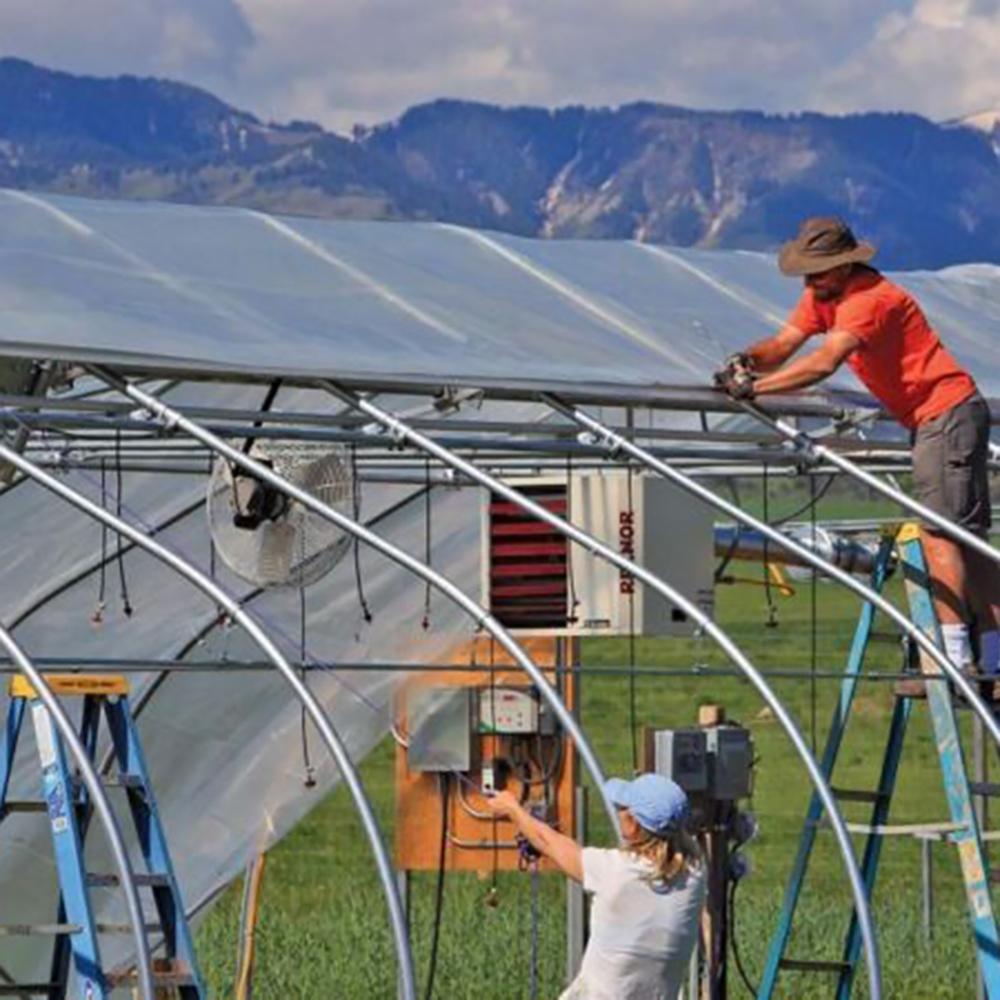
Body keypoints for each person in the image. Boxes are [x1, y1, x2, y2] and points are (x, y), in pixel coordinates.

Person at [715, 215, 1000, 684]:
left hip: (943, 415)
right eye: (806, 272)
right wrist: (745, 361)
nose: (809, 281)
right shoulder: (824, 296)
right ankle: (990, 655)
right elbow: (785, 344)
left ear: (846, 267)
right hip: (942, 415)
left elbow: (823, 362)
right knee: (970, 540)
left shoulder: (869, 300)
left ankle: (956, 659)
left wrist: (755, 390)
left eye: (818, 271)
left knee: (941, 536)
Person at [484, 772, 704, 1000]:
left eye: (622, 807)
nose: (618, 812)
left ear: (634, 826)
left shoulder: (615, 872)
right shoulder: (695, 876)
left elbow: (547, 840)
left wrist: (512, 808)